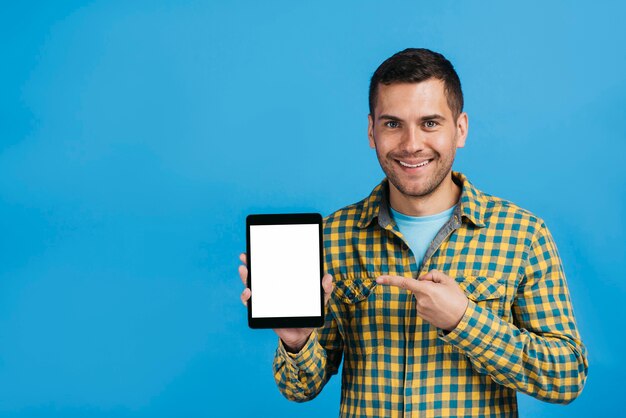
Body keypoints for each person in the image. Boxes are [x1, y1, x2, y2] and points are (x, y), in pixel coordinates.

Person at [237, 48, 588, 417]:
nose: (411, 144)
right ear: (371, 131)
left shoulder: (522, 234)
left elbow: (566, 378)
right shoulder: (334, 237)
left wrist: (465, 320)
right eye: (392, 124)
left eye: (430, 123)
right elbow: (299, 389)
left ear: (461, 129)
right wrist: (296, 341)